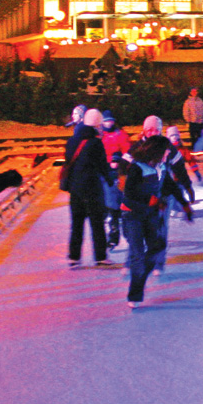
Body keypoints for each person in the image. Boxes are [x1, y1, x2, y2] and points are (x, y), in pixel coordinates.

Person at [121, 136, 193, 307]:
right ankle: (135, 294)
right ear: (157, 150)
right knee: (138, 255)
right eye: (167, 150)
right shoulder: (137, 168)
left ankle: (139, 276)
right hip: (132, 215)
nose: (169, 152)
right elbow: (129, 194)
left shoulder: (161, 167)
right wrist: (150, 200)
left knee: (158, 246)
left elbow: (171, 187)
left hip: (150, 215)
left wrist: (185, 205)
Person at [64, 108, 115, 267]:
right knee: (97, 223)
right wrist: (110, 179)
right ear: (97, 125)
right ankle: (100, 256)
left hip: (75, 189)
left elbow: (68, 163)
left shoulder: (72, 140)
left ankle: (74, 256)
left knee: (77, 223)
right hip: (92, 188)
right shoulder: (95, 143)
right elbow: (102, 165)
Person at [100, 110, 132, 249]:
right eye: (107, 121)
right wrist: (108, 161)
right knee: (110, 205)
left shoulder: (121, 134)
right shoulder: (100, 135)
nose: (109, 123)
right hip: (106, 171)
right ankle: (113, 235)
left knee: (123, 204)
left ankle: (129, 234)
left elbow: (128, 151)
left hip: (120, 171)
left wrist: (120, 159)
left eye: (111, 121)